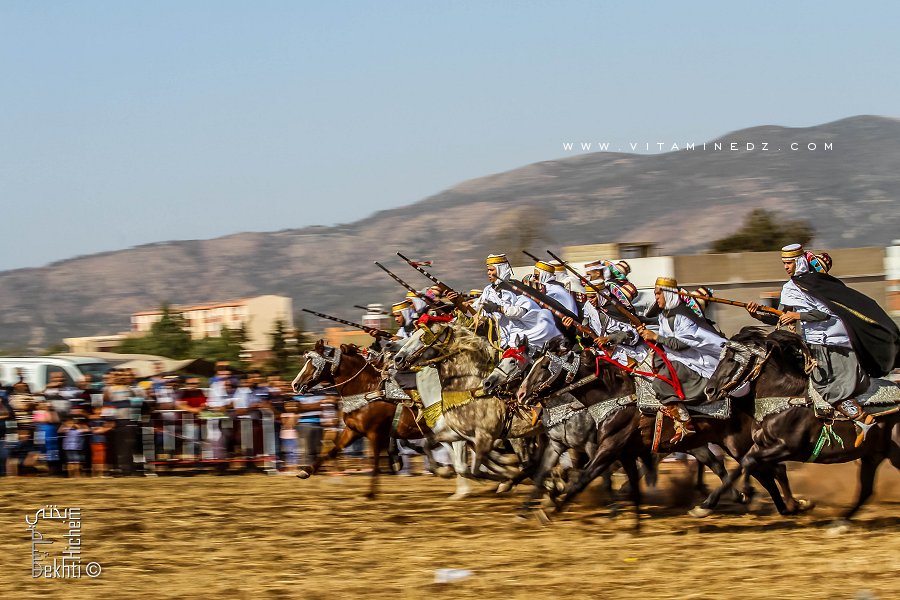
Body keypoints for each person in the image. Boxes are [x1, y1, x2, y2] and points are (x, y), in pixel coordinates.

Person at [746, 243, 900, 446]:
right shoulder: (791, 288)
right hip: (813, 345)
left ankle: (863, 420)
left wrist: (797, 315)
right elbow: (782, 317)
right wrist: (757, 313)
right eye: (784, 263)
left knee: (825, 386)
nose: (786, 267)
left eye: (790, 263)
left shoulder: (816, 283)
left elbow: (825, 313)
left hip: (833, 344)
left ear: (800, 261)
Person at [638, 276, 727, 443]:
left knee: (660, 382)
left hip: (696, 363)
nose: (656, 298)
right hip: (680, 360)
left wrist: (655, 336)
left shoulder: (682, 315)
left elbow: (681, 345)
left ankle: (685, 423)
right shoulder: (664, 316)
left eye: (659, 294)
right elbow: (665, 342)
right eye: (655, 294)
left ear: (669, 294)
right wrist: (648, 336)